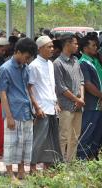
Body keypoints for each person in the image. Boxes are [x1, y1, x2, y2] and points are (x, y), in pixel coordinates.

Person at [0, 38, 38, 180]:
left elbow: (27, 88)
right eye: (26, 57)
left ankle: (21, 170)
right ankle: (9, 173)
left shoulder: (25, 68)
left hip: (26, 110)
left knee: (25, 143)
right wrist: (9, 116)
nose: (27, 60)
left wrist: (33, 107)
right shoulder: (5, 68)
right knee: (11, 144)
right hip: (13, 111)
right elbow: (2, 93)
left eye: (29, 58)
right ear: (18, 52)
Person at [28, 36, 63, 173]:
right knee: (38, 138)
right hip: (41, 107)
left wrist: (56, 102)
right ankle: (32, 167)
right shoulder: (34, 65)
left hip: (51, 106)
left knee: (51, 138)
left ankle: (47, 167)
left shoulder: (50, 64)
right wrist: (36, 107)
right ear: (40, 48)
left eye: (52, 46)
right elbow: (29, 88)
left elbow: (51, 86)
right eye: (49, 47)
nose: (52, 49)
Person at [54, 33, 84, 162]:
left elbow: (81, 80)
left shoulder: (76, 60)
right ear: (67, 44)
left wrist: (81, 98)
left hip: (78, 105)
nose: (77, 46)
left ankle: (70, 163)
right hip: (66, 105)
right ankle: (60, 164)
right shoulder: (58, 63)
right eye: (75, 43)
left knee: (75, 136)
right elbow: (61, 87)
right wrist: (77, 100)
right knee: (64, 136)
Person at [77, 36, 102, 160]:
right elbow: (87, 84)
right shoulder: (83, 63)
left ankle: (92, 156)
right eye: (93, 45)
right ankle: (81, 157)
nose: (96, 47)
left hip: (99, 104)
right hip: (91, 104)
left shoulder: (95, 61)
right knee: (87, 131)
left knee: (97, 132)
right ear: (85, 48)